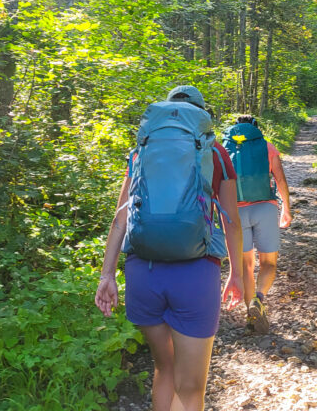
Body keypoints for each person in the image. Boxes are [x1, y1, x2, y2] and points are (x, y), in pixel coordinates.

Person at [95, 85, 244, 411]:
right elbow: (231, 222)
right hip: (195, 274)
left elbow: (120, 220)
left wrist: (107, 275)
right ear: (202, 115)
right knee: (190, 389)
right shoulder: (216, 153)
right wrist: (237, 274)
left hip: (143, 273)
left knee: (164, 368)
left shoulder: (142, 152)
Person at [226, 115, 292, 334]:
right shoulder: (266, 146)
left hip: (236, 211)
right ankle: (259, 298)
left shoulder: (223, 149)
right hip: (265, 207)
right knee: (269, 264)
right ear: (256, 129)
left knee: (245, 266)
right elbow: (280, 179)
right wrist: (286, 208)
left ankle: (250, 314)